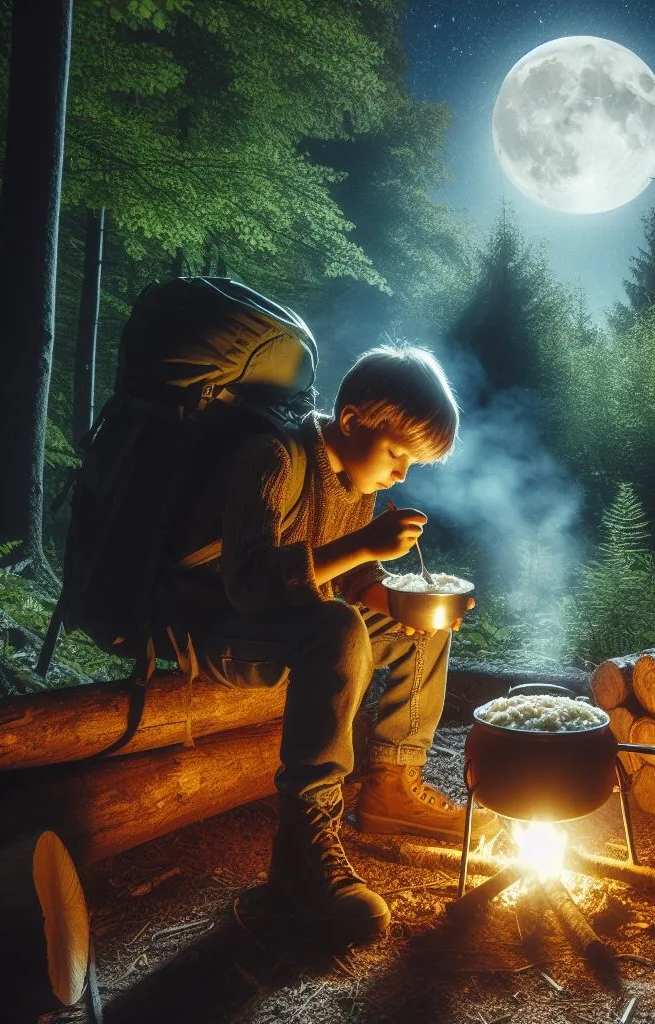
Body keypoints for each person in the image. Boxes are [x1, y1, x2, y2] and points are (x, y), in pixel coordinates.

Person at [162, 343, 498, 945]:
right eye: (397, 453)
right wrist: (366, 545)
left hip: (287, 621)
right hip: (211, 628)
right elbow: (250, 582)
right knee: (338, 628)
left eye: (411, 463)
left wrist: (408, 603)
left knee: (418, 627)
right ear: (352, 421)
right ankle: (303, 848)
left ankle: (392, 784)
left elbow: (344, 579)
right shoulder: (271, 458)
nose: (401, 472)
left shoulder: (352, 483)